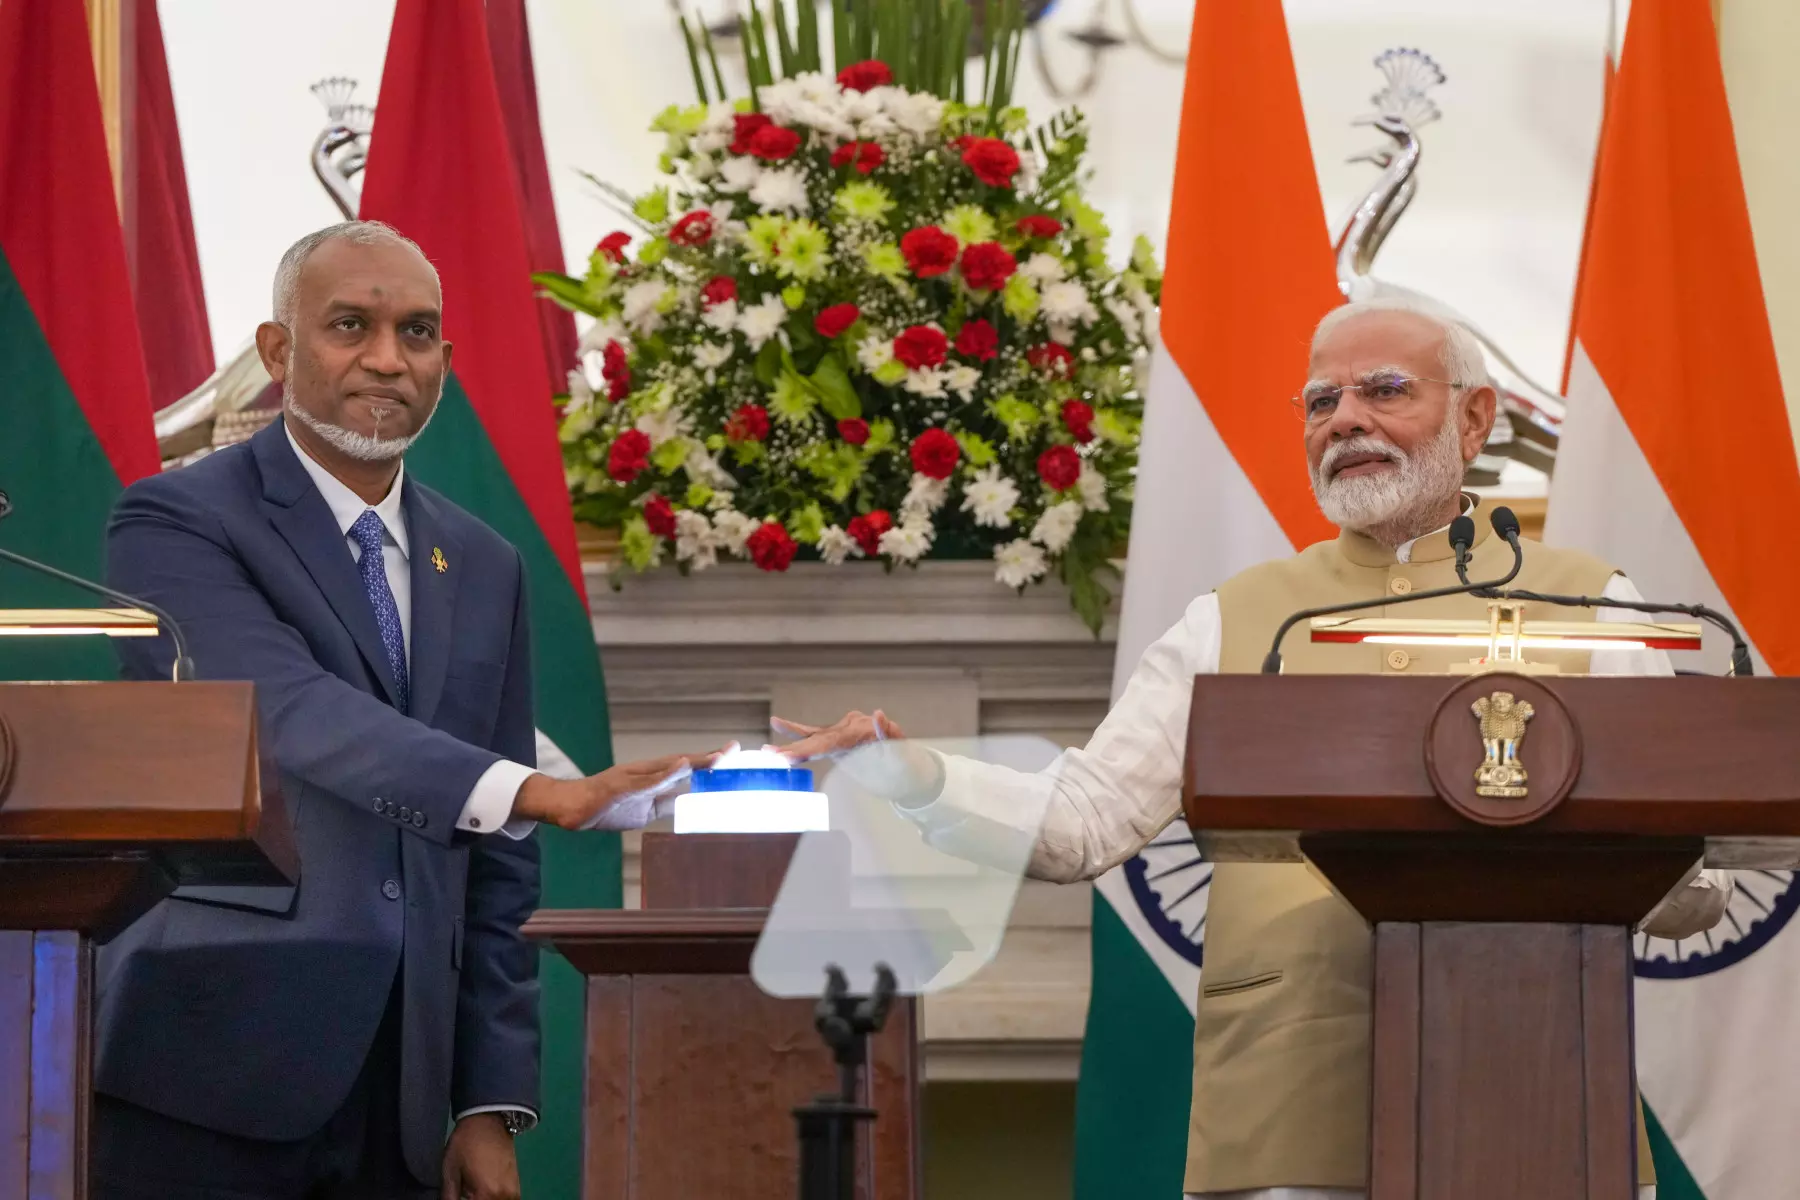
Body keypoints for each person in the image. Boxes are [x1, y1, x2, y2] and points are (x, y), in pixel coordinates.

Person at [770, 299, 1731, 1200]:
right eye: (1322, 402)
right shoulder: (1232, 619)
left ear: (1474, 421)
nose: (1345, 419)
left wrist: (1657, 866)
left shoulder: (1593, 604)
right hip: (1285, 1104)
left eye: (1384, 390)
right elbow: (1085, 821)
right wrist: (918, 774)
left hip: (1538, 1084)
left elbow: (1689, 883)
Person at [96, 220, 719, 1200]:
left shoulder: (482, 563)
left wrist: (486, 1100)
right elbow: (283, 711)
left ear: (446, 361)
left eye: (417, 333)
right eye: (350, 325)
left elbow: (501, 870)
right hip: (208, 1069)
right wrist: (532, 791)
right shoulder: (175, 520)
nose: (388, 360)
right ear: (277, 350)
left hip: (404, 1095)